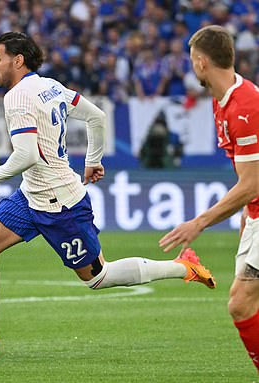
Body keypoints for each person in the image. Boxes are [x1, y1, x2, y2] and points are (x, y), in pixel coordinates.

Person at [0, 32, 216, 359]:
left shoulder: (16, 96)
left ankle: (183, 267)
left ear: (18, 60)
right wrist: (93, 159)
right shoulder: (51, 86)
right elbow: (97, 116)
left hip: (61, 203)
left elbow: (27, 154)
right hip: (31, 196)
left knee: (98, 278)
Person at [159, 25, 259, 373]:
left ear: (201, 62)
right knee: (243, 303)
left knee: (241, 303)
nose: (191, 68)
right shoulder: (225, 102)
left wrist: (199, 222)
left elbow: (251, 183)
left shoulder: (245, 106)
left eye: (191, 61)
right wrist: (248, 211)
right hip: (257, 212)